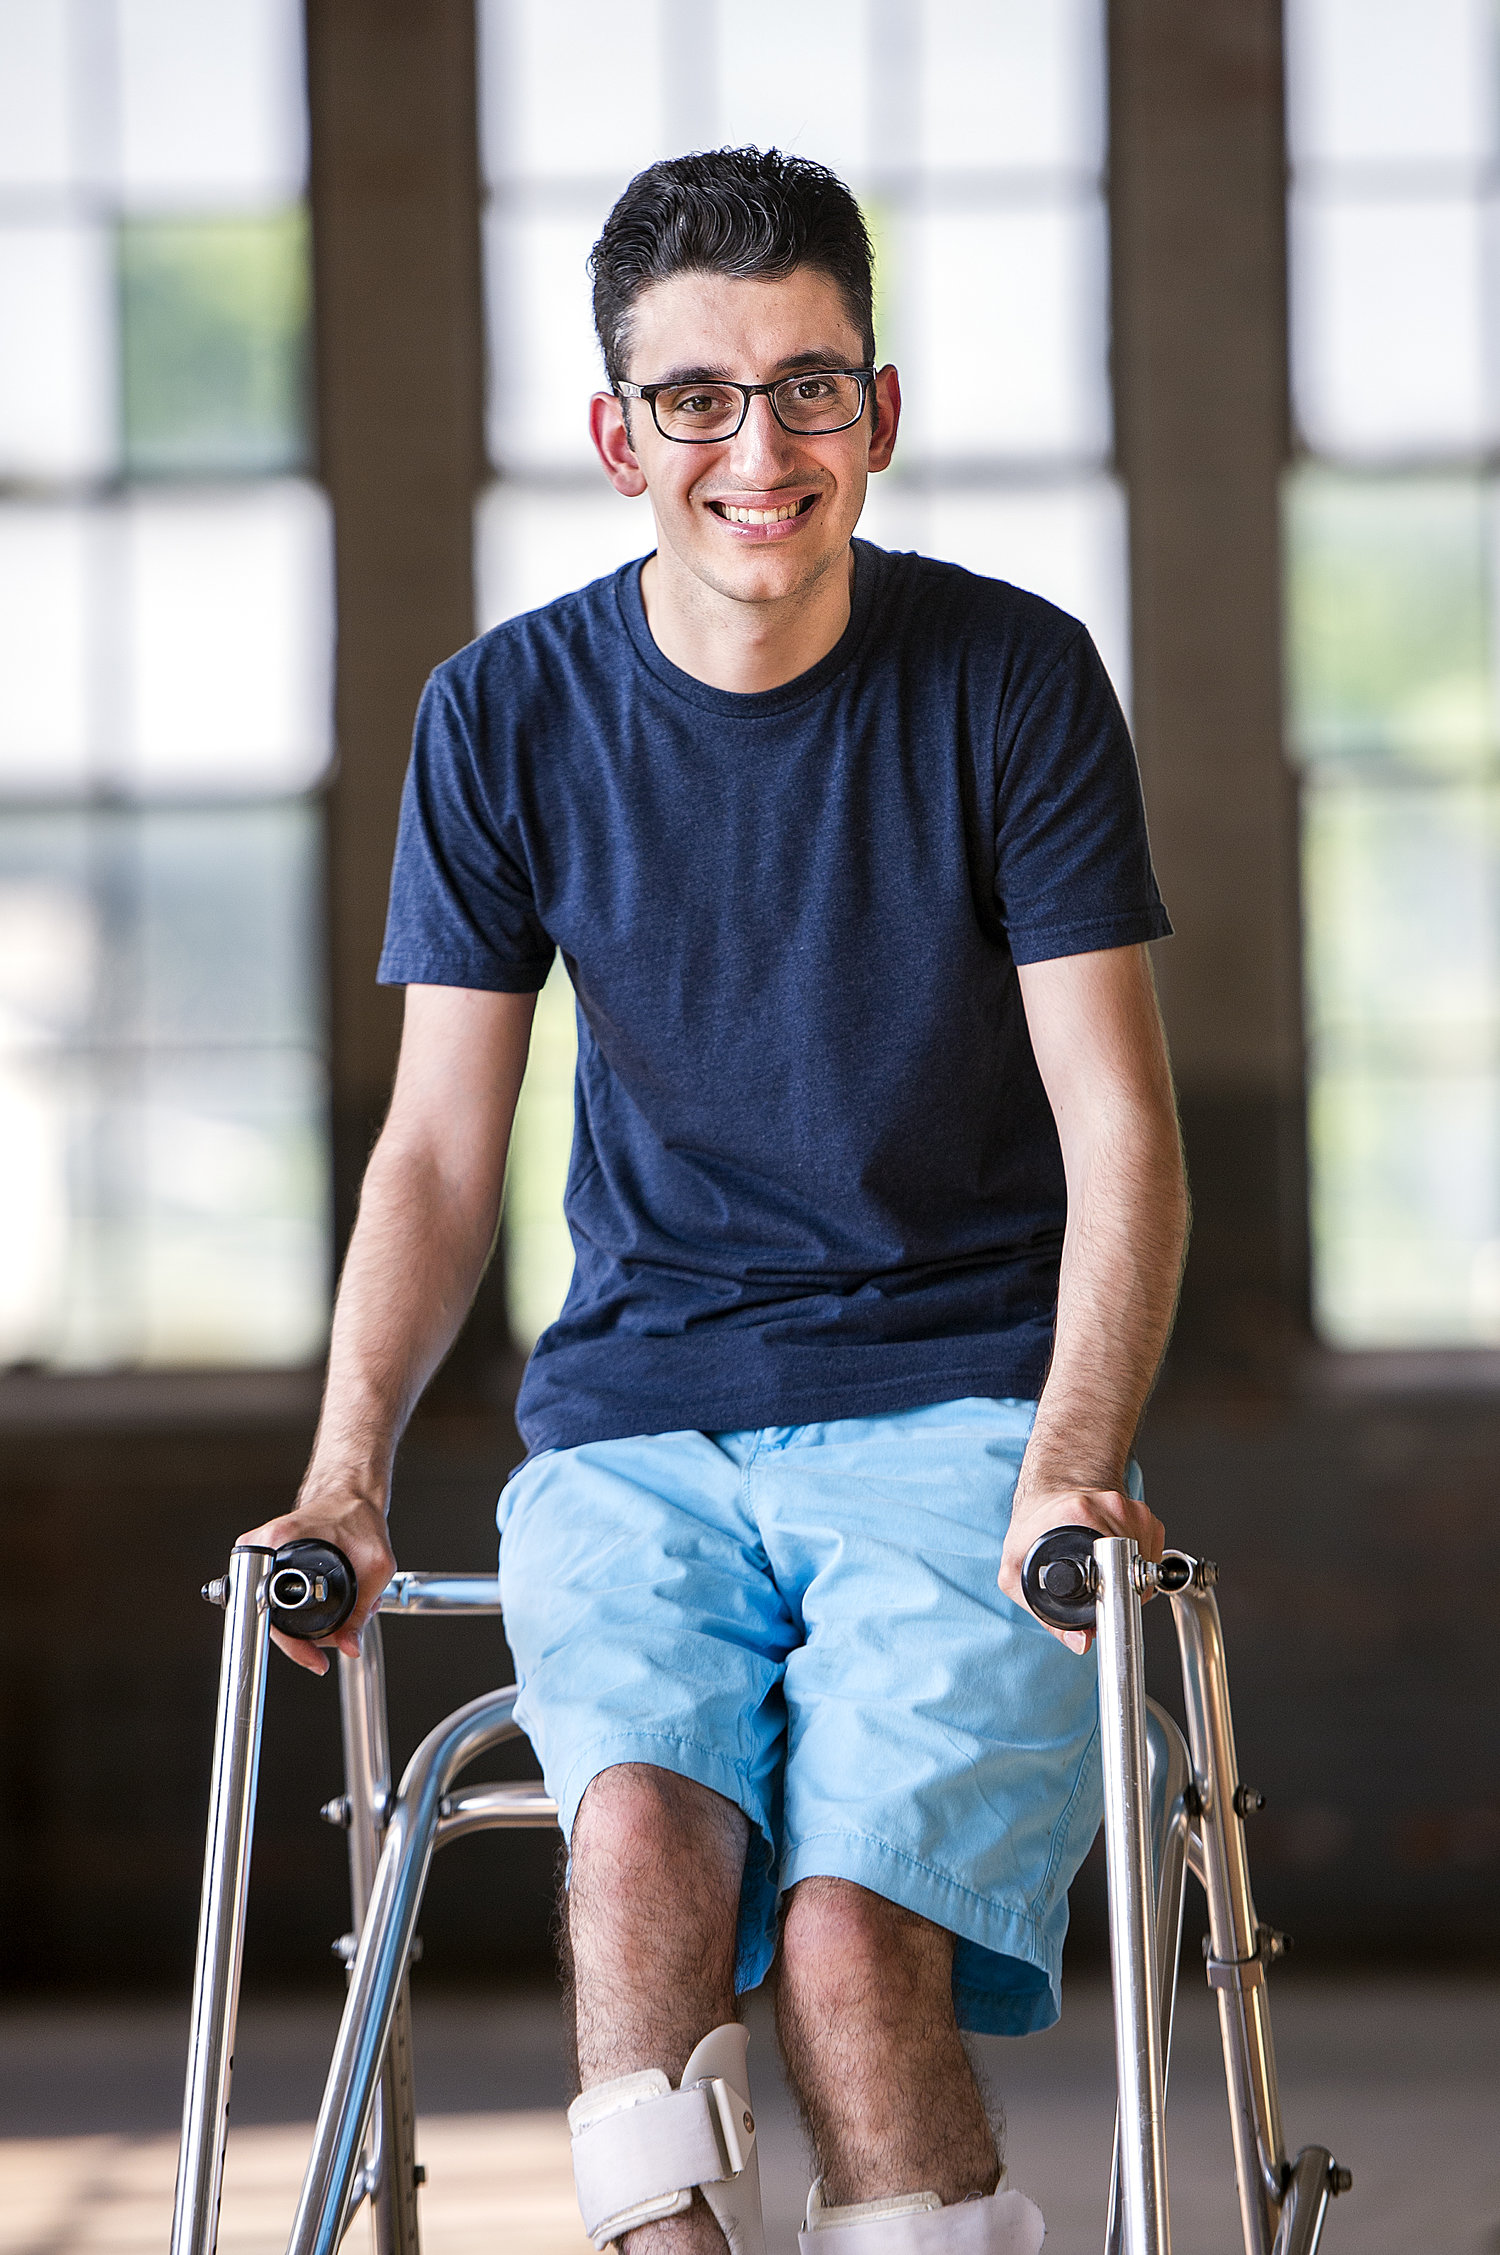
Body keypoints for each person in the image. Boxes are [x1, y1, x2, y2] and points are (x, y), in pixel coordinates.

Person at [242, 146, 1187, 2255]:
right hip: (638, 1418)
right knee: (645, 1840)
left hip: (957, 1407)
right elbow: (436, 1155)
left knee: (853, 1945)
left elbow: (1122, 1128)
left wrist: (1073, 1455)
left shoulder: (1013, 680)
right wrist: (343, 1473)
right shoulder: (502, 715)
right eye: (696, 396)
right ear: (617, 434)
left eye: (808, 387)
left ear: (881, 412)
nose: (757, 449)